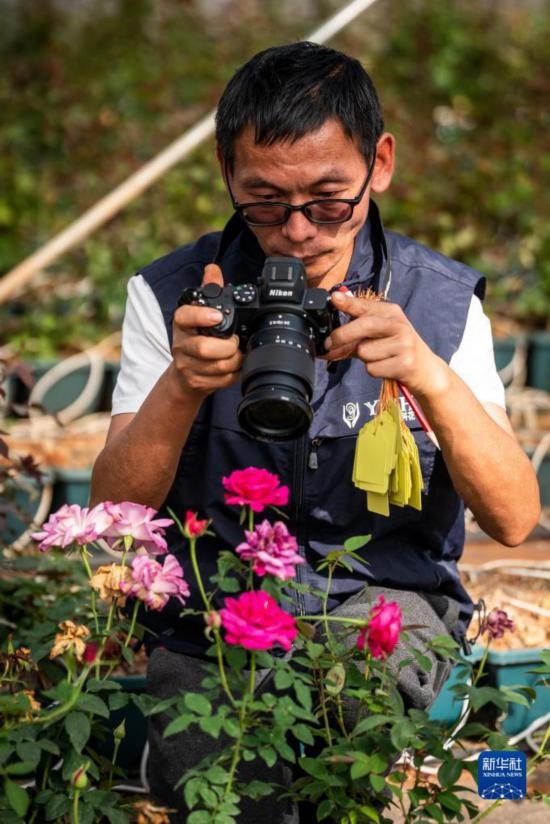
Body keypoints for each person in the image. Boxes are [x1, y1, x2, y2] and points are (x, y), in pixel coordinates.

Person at [90, 41, 540, 821]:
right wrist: (182, 384)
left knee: (350, 756)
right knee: (221, 787)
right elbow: (110, 524)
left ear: (381, 165)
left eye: (330, 199)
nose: (298, 232)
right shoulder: (171, 295)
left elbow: (513, 518)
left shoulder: (437, 301)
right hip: (215, 623)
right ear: (227, 173)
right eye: (263, 201)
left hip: (385, 611)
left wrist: (427, 374)